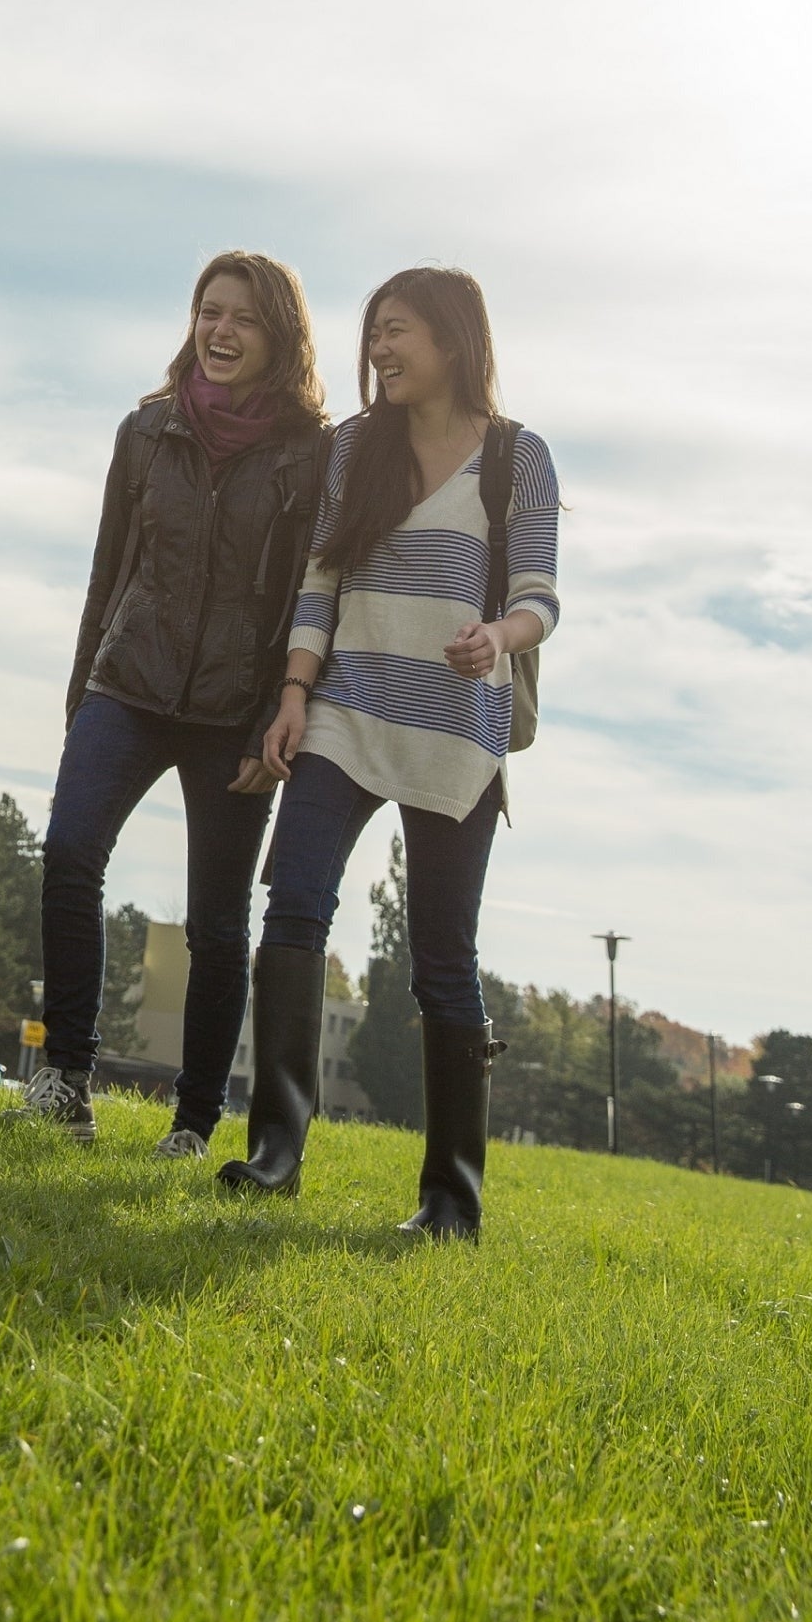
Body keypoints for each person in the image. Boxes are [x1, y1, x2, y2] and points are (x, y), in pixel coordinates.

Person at [218, 266, 561, 1239]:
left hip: (457, 728)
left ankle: (451, 1198)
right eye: (372, 333)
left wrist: (498, 636)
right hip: (347, 710)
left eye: (396, 331)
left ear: (453, 339)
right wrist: (293, 695)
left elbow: (542, 594)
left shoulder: (516, 458)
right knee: (294, 905)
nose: (378, 349)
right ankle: (278, 1150)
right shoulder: (353, 449)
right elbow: (320, 583)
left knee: (442, 959)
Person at [10, 253, 332, 1152]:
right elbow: (107, 570)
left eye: (242, 319)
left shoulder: (312, 454)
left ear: (280, 335)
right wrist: (82, 695)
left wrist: (277, 710)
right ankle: (66, 1081)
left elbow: (312, 592)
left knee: (216, 921)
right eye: (207, 312)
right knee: (69, 852)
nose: (219, 332)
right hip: (129, 682)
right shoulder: (145, 432)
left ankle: (192, 1123)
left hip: (236, 710)